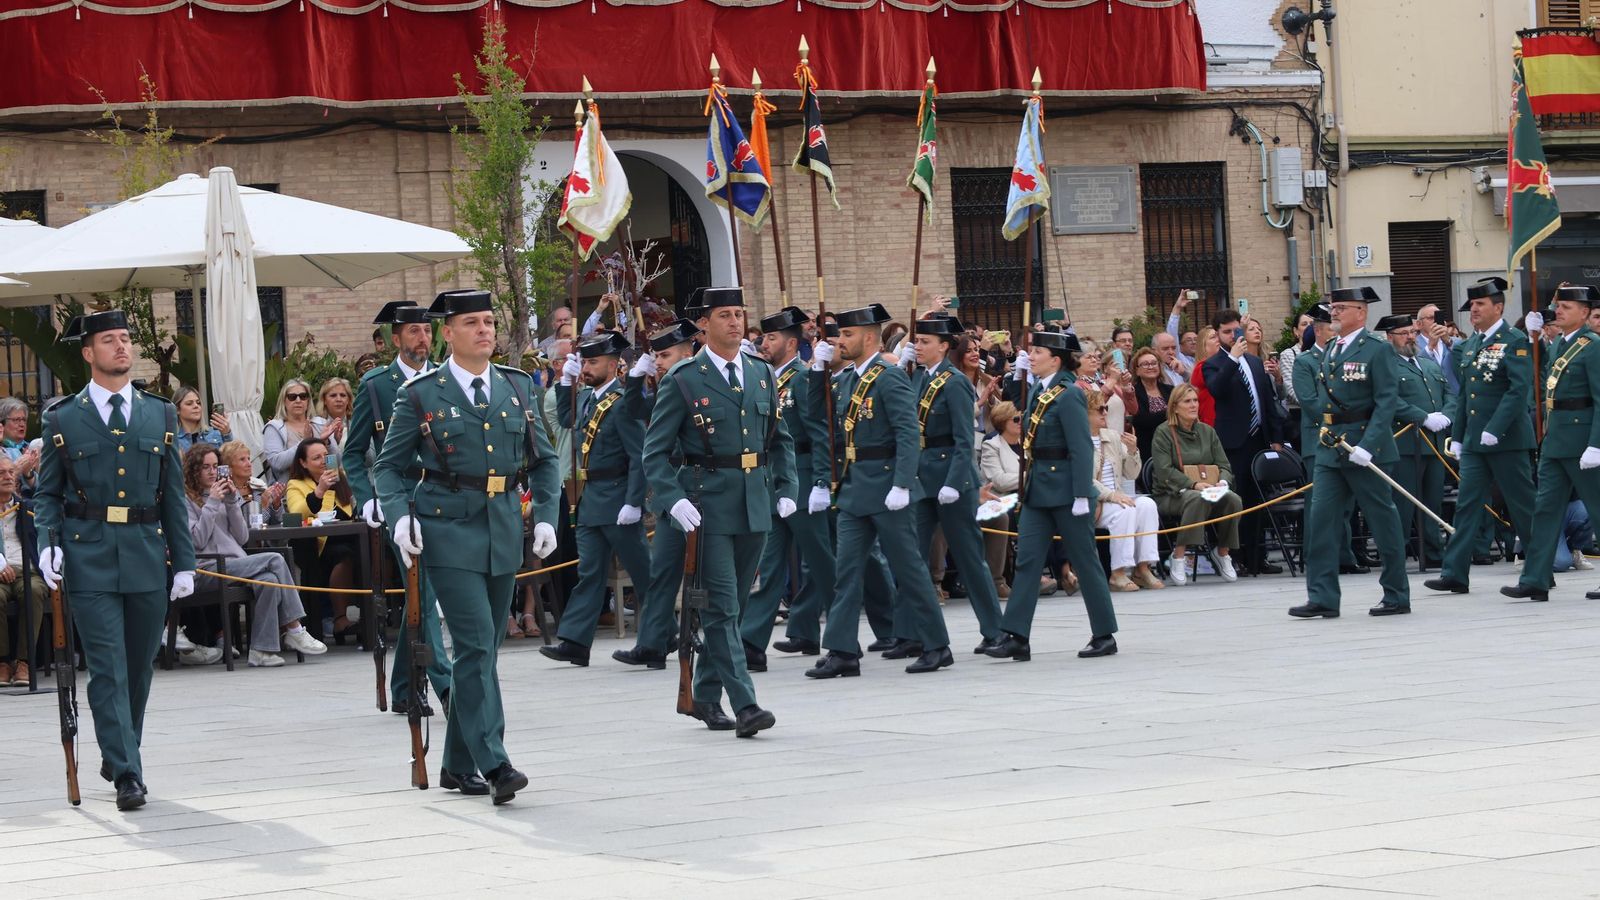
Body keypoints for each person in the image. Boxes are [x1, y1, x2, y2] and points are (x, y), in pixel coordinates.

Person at [376, 288, 560, 803]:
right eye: (473, 323)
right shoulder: (421, 394)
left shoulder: (518, 387)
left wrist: (545, 515)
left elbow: (544, 460)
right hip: (447, 528)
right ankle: (495, 761)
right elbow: (387, 467)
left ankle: (456, 765)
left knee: (484, 651)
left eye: (489, 322)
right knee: (477, 642)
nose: (484, 331)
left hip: (503, 526)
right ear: (448, 332)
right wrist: (397, 517)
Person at [35, 309, 196, 812]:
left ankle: (118, 749)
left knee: (140, 668)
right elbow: (47, 494)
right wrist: (47, 542)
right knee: (107, 668)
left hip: (147, 552)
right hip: (89, 555)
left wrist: (185, 561)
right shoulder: (62, 417)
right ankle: (128, 773)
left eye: (126, 339)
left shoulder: (159, 413)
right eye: (110, 340)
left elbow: (172, 494)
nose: (122, 347)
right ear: (89, 353)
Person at [640, 286, 793, 735]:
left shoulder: (762, 373)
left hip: (755, 502)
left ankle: (705, 695)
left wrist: (787, 486)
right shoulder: (685, 378)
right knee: (723, 607)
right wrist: (673, 499)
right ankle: (746, 704)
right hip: (706, 504)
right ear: (704, 324)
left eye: (739, 313)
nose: (734, 322)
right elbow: (655, 452)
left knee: (736, 606)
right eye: (724, 315)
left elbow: (778, 439)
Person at [804, 302, 952, 678]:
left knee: (910, 569)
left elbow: (908, 432)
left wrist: (903, 482)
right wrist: (816, 372)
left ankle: (937, 644)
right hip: (855, 486)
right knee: (846, 571)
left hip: (888, 486)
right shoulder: (847, 379)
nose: (840, 341)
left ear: (869, 337)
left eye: (848, 335)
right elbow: (815, 415)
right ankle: (841, 651)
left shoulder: (888, 377)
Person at [982, 330, 1118, 662]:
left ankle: (1104, 633)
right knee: (1028, 560)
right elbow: (1021, 414)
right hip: (1038, 487)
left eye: (1038, 351)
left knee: (1085, 560)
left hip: (1066, 488)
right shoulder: (1041, 390)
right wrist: (1017, 375)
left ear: (1055, 359)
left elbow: (1081, 446)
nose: (1032, 355)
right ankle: (1017, 635)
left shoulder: (1069, 394)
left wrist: (1082, 493)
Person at [345, 300, 452, 714]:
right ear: (396, 338)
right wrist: (368, 496)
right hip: (399, 499)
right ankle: (448, 688)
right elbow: (354, 453)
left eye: (427, 332)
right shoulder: (376, 385)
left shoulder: (445, 379)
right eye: (413, 332)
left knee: (420, 594)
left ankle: (406, 688)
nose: (423, 339)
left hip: (443, 499)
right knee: (421, 590)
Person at [1291, 286, 1412, 619]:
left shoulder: (1377, 350)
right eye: (1334, 307)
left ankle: (1397, 593)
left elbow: (1387, 400)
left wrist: (1368, 445)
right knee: (1321, 522)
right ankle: (1323, 596)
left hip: (1365, 447)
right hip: (1332, 448)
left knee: (1383, 521)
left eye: (1342, 307)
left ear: (1361, 312)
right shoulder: (1331, 348)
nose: (1335, 312)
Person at [541, 331, 652, 665]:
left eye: (593, 362)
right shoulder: (588, 398)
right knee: (589, 573)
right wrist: (565, 382)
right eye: (584, 361)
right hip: (590, 500)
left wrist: (634, 502)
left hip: (618, 500)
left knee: (643, 575)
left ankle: (660, 634)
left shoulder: (622, 403)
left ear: (615, 364)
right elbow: (566, 419)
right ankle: (575, 641)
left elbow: (639, 455)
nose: (586, 368)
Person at [1425, 277, 1538, 597]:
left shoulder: (1514, 340)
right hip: (1476, 441)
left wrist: (1496, 428)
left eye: (1480, 304)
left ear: (1498, 307)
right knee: (1467, 505)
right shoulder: (1470, 344)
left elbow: (1519, 391)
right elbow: (1465, 396)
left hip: (1508, 440)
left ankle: (1539, 571)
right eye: (1471, 304)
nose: (1473, 309)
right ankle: (1455, 573)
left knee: (1522, 507)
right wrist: (1459, 436)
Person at [739, 307, 836, 663]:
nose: (765, 343)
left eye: (773, 337)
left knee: (822, 564)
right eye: (765, 337)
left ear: (792, 343)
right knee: (770, 564)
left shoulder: (803, 379)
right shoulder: (765, 379)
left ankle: (842, 638)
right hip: (773, 483)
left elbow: (820, 435)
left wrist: (822, 482)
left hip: (804, 479)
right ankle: (753, 642)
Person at [907, 315, 1006, 653]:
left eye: (924, 342)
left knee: (968, 557)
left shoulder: (954, 382)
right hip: (923, 479)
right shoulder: (921, 379)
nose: (918, 347)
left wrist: (954, 481)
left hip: (952, 479)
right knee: (914, 556)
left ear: (943, 346)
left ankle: (994, 630)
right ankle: (911, 631)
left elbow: (965, 439)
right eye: (917, 342)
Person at [613, 317, 705, 669]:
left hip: (703, 489)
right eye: (657, 357)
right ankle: (652, 643)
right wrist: (635, 380)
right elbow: (634, 410)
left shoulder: (700, 383)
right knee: (662, 572)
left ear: (687, 352)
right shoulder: (667, 389)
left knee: (710, 574)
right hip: (671, 495)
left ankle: (716, 638)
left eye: (665, 355)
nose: (660, 363)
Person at [182, 444, 327, 667]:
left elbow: (241, 538)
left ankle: (261, 650)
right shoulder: (187, 501)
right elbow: (197, 541)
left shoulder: (224, 496)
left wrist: (231, 502)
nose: (212, 472)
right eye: (205, 467)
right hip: (206, 568)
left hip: (234, 564)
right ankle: (295, 627)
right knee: (275, 559)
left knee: (268, 581)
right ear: (193, 470)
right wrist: (212, 503)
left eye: (215, 466)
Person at [1503, 286, 1600, 602]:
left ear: (1585, 313)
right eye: (1558, 306)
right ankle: (1535, 578)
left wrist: (1596, 444)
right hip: (1556, 441)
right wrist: (1535, 343)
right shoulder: (1559, 343)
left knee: (1598, 509)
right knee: (1543, 511)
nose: (1558, 311)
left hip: (1581, 441)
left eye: (1567, 307)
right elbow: (1548, 377)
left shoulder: (1593, 346)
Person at [1203, 308, 1287, 575]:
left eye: (1235, 330)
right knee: (1235, 501)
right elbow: (1216, 389)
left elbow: (1267, 401)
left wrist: (1275, 438)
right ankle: (1234, 556)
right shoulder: (1213, 364)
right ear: (1217, 334)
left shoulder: (1253, 361)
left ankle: (1257, 556)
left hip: (1258, 439)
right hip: (1232, 442)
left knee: (1258, 501)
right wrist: (1232, 359)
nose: (1232, 336)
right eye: (1226, 332)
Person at [1378, 313, 1453, 568]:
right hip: (1406, 445)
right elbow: (1389, 399)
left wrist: (1446, 415)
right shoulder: (1386, 364)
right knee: (1403, 504)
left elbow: (1450, 392)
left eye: (1412, 332)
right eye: (1404, 333)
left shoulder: (1428, 362)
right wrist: (1422, 417)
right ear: (1390, 337)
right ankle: (1396, 556)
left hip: (1434, 444)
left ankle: (1433, 552)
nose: (1411, 337)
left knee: (1433, 503)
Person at [1293, 306, 1362, 574]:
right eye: (1331, 328)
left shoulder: (1339, 358)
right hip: (1318, 440)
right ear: (1319, 331)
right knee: (1319, 504)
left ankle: (1344, 557)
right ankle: (1317, 558)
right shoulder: (1305, 361)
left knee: (1345, 504)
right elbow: (1310, 402)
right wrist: (1342, 417)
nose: (1335, 332)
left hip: (1344, 439)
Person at [1150, 383, 1241, 584]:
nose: (1193, 405)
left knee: (1233, 499)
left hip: (1209, 489)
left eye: (1195, 401)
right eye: (1187, 401)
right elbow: (1164, 470)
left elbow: (1224, 464)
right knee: (1196, 498)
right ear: (1174, 407)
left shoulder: (1207, 431)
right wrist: (1193, 484)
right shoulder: (1163, 432)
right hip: (1171, 494)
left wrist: (1222, 482)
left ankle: (1222, 552)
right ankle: (1179, 555)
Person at [1083, 387, 1163, 591]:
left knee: (1147, 505)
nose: (1105, 413)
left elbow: (1132, 473)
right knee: (1125, 510)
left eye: (1106, 408)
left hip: (1117, 496)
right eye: (1100, 409)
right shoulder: (1076, 440)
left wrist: (1134, 451)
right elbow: (1083, 478)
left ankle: (1143, 568)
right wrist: (1113, 495)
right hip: (1094, 501)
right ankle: (1118, 572)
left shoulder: (1111, 436)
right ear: (1085, 413)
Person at [284, 437, 362, 638]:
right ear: (303, 463)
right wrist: (320, 490)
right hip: (319, 544)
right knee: (344, 555)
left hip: (352, 536)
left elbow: (354, 506)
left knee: (377, 551)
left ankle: (375, 615)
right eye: (316, 458)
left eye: (325, 456)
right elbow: (297, 512)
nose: (322, 461)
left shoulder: (341, 477)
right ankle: (339, 619)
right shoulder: (296, 484)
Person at [0, 456, 43, 686]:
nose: (8, 477)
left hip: (26, 569)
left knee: (34, 590)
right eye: (1, 474)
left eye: (10, 472)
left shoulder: (26, 508)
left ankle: (24, 661)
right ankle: (3, 662)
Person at [979, 401, 1025, 599]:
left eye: (1021, 418)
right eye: (1015, 419)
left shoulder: (1027, 444)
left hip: (1028, 497)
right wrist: (1029, 477)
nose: (1020, 422)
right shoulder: (992, 445)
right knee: (1013, 515)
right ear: (1002, 422)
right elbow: (999, 480)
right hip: (1001, 499)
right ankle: (1004, 578)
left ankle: (1064, 571)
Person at [263, 378, 337, 485]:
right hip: (291, 492)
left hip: (326, 489)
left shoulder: (320, 424)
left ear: (308, 400)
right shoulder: (274, 427)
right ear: (284, 401)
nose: (298, 401)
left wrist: (327, 443)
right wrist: (304, 442)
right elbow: (277, 463)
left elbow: (336, 464)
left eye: (303, 396)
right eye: (292, 397)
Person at [220, 439, 285, 523]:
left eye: (248, 458)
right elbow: (243, 527)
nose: (249, 464)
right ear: (229, 468)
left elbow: (279, 523)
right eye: (242, 459)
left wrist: (276, 505)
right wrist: (263, 506)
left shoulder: (260, 488)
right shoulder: (225, 494)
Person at [1127, 347, 1173, 461]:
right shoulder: (1133, 393)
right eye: (1145, 364)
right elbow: (1142, 420)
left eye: (1154, 363)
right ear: (1136, 370)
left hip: (1173, 446)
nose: (1151, 367)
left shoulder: (1171, 390)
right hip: (1147, 448)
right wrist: (1171, 412)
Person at [171, 385, 231, 456]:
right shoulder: (173, 439)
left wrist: (226, 433)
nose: (196, 406)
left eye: (198, 402)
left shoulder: (214, 434)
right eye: (189, 403)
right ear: (177, 409)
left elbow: (232, 459)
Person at [0, 396, 40, 487]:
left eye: (24, 420)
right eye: (16, 420)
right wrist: (16, 469)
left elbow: (43, 488)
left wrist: (29, 474)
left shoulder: (32, 448)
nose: (22, 424)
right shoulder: (3, 450)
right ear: (2, 423)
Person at [313, 378, 353, 449]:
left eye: (343, 395)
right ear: (324, 400)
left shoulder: (356, 423)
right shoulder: (315, 425)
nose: (338, 399)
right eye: (333, 395)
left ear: (348, 400)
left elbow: (371, 458)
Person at [1190, 327, 1218, 426]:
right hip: (1211, 424)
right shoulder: (1201, 367)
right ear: (1203, 345)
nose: (1218, 339)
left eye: (1218, 336)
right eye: (1213, 337)